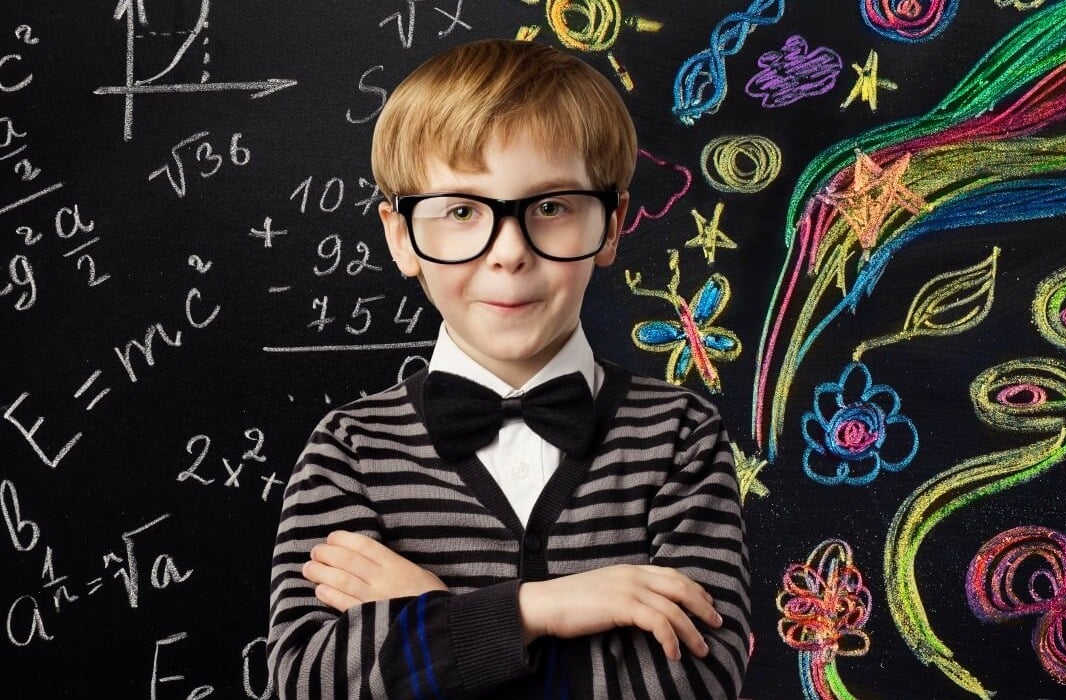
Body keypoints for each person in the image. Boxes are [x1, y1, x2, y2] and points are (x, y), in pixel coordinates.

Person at [268, 38, 750, 699]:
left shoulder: (679, 437)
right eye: (463, 211)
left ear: (611, 225)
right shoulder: (350, 450)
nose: (509, 252)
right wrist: (536, 610)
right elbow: (311, 681)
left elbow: (694, 681)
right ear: (401, 236)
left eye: (551, 207)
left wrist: (432, 612)